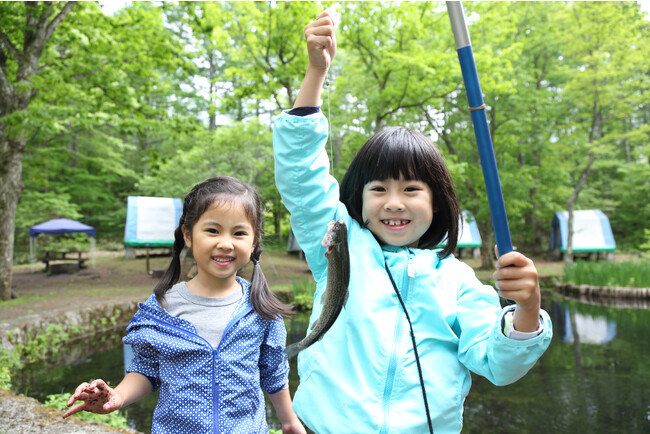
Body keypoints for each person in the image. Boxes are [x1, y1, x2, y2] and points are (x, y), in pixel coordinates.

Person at [272, 9, 553, 434]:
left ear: (438, 203)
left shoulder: (458, 282)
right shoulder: (337, 244)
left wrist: (527, 311)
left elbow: (499, 364)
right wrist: (315, 73)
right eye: (379, 189)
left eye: (411, 190)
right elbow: (302, 173)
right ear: (358, 200)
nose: (394, 204)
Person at [63, 176, 306, 434]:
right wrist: (118, 396)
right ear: (188, 236)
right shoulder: (162, 308)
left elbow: (274, 373)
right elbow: (146, 368)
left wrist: (289, 421)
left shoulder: (261, 308)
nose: (225, 243)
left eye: (239, 233)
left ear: (254, 241)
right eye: (213, 230)